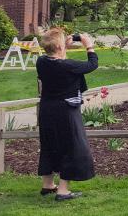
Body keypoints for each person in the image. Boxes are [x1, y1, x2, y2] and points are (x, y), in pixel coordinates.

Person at [36, 28, 98, 201]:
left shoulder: (41, 61)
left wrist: (63, 48)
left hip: (47, 110)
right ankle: (63, 191)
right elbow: (92, 65)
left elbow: (57, 61)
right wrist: (89, 46)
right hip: (66, 111)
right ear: (59, 45)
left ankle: (47, 185)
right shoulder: (68, 66)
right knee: (71, 147)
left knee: (49, 144)